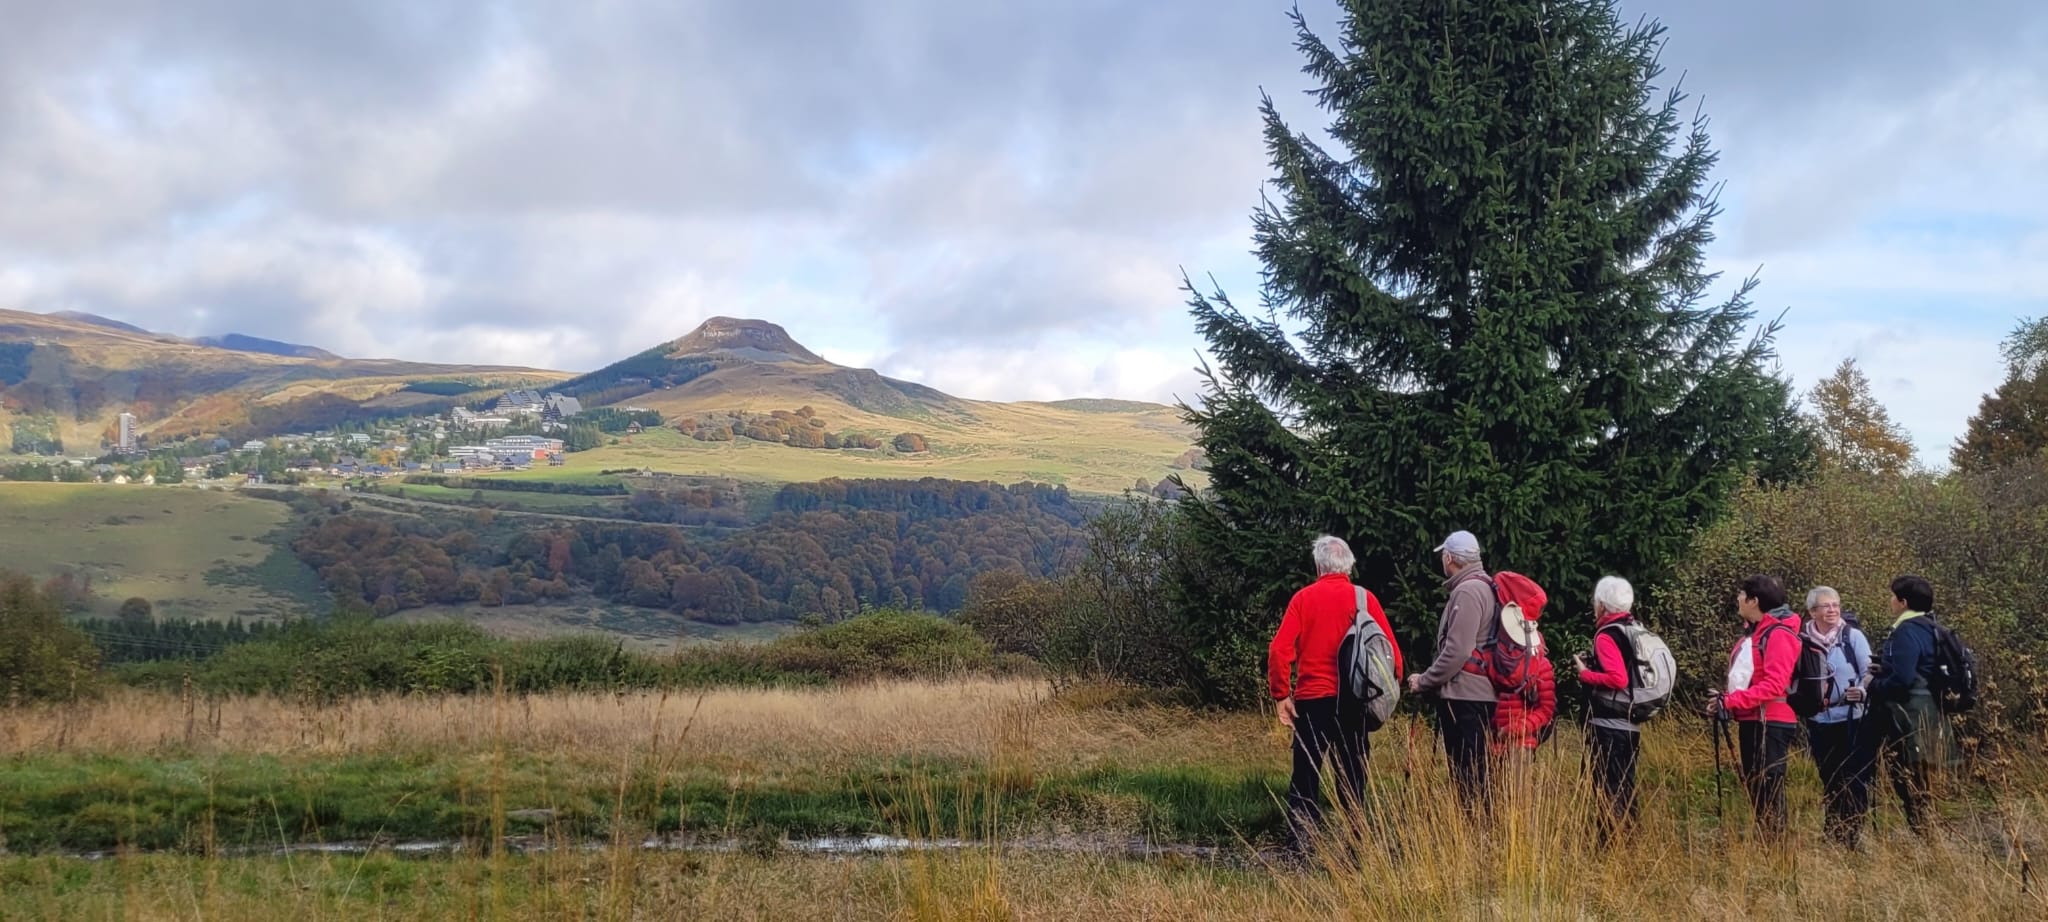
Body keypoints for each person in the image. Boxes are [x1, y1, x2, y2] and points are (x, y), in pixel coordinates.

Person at [1268, 535, 1402, 850]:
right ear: (1349, 567)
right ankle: (1356, 848)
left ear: (1318, 566)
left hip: (1313, 703)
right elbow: (1393, 658)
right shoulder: (1365, 599)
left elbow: (1278, 651)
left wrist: (1281, 695)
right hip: (1354, 704)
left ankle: (1300, 849)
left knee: (1305, 777)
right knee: (1353, 777)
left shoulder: (1303, 599)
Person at [1407, 530, 1496, 807]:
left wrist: (1424, 681)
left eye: (1443, 557)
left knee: (1467, 775)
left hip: (1465, 698)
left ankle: (1471, 837)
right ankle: (1482, 835)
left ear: (1449, 558)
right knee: (1479, 773)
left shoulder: (1468, 591)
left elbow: (1457, 651)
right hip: (1483, 695)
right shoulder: (1487, 585)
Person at [1864, 575, 1959, 836]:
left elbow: (1903, 681)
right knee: (1926, 782)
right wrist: (1887, 668)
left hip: (1910, 719)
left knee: (1912, 783)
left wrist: (1872, 683)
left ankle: (1926, 840)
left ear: (1903, 602)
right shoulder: (1932, 627)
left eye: (1893, 596)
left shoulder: (1906, 631)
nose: (1890, 600)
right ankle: (1931, 838)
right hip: (1931, 715)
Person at [1711, 574, 1801, 841]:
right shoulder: (1757, 633)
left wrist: (1730, 701)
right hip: (1754, 719)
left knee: (1769, 789)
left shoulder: (1778, 634)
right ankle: (1771, 850)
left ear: (1754, 600)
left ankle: (1779, 856)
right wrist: (1724, 701)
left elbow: (1775, 684)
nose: (1738, 599)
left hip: (1771, 721)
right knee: (1758, 789)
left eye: (1741, 594)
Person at [1800, 586, 1875, 847]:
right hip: (1819, 720)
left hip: (1852, 718)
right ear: (1812, 612)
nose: (1832, 610)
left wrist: (1863, 691)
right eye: (1826, 606)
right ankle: (1833, 830)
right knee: (1829, 776)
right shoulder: (1802, 641)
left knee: (1854, 777)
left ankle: (1852, 835)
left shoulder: (1852, 636)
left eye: (1835, 605)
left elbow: (1870, 670)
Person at [1576, 576, 1642, 832]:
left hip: (1608, 725)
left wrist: (1584, 673)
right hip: (1630, 723)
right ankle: (1629, 843)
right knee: (1626, 785)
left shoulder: (1607, 635)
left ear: (1602, 605)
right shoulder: (1633, 629)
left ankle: (1611, 844)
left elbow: (1617, 678)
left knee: (1608, 787)